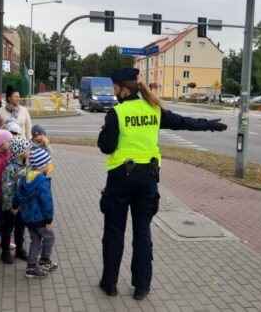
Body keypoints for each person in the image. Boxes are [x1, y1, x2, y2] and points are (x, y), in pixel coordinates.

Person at [97, 68, 227, 300]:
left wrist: (105, 132)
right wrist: (209, 124)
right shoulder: (154, 109)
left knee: (115, 232)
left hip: (120, 180)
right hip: (148, 179)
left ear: (124, 90)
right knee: (142, 233)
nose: (114, 93)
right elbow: (183, 122)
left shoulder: (117, 113)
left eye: (115, 89)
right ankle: (142, 286)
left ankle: (110, 284)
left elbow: (106, 147)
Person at [16, 149, 57, 279]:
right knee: (49, 237)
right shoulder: (42, 181)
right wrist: (49, 220)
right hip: (39, 218)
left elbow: (17, 193)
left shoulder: (25, 177)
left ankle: (31, 267)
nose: (50, 165)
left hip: (27, 217)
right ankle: (44, 261)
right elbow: (47, 202)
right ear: (43, 165)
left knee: (36, 240)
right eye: (48, 162)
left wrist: (14, 205)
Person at [0, 137, 30, 264]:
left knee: (20, 228)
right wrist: (11, 206)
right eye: (27, 149)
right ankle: (5, 251)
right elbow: (6, 188)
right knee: (8, 228)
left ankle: (19, 249)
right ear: (20, 152)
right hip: (11, 205)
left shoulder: (26, 165)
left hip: (22, 204)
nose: (30, 151)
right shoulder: (10, 168)